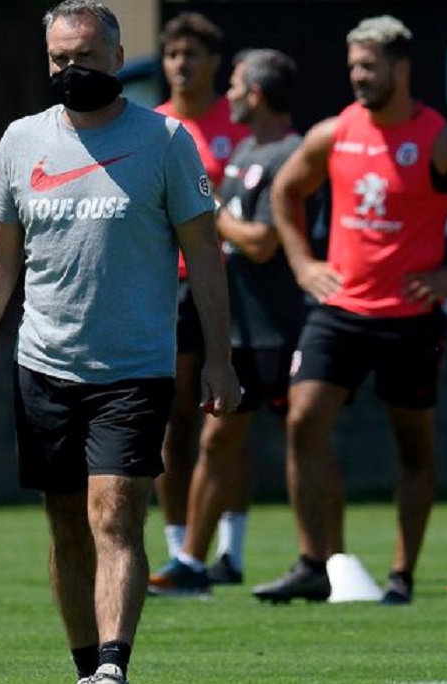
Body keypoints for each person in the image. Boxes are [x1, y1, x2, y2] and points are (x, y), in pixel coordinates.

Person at [0, 2, 239, 681]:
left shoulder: (166, 141)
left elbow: (204, 253)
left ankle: (112, 667)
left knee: (114, 511)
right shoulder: (21, 140)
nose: (71, 68)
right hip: (43, 364)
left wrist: (219, 360)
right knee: (66, 523)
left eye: (84, 56)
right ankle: (85, 667)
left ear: (117, 58)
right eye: (60, 58)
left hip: (134, 367)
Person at [259, 15, 447, 605]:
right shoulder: (334, 133)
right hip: (340, 311)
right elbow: (285, 192)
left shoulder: (443, 142)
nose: (359, 76)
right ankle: (313, 562)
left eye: (369, 66)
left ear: (400, 68)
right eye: (353, 66)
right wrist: (303, 264)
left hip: (410, 320)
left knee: (413, 447)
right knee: (302, 421)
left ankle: (402, 575)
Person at [149, 48, 308, 596]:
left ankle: (319, 559)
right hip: (243, 326)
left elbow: (261, 243)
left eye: (238, 87)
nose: (231, 96)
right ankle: (192, 564)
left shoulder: (293, 153)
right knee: (217, 440)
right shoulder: (244, 151)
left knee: (304, 442)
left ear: (256, 95)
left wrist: (206, 209)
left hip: (283, 325)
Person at [152, 10, 253, 574]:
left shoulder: (238, 127)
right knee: (174, 419)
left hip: (228, 283)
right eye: (172, 55)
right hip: (168, 285)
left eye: (191, 55)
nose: (181, 65)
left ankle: (230, 550)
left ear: (215, 62)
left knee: (227, 417)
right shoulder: (152, 127)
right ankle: (177, 549)